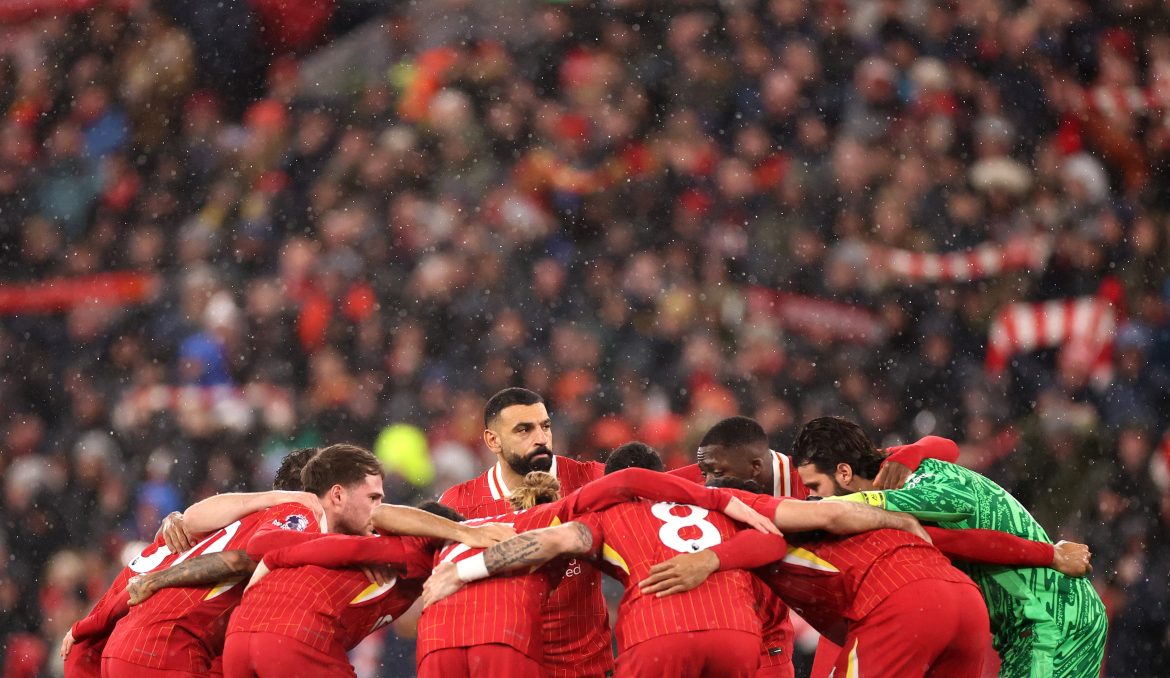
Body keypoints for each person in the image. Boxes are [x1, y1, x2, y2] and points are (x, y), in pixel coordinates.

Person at [423, 443, 931, 678]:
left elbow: (551, 542)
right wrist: (897, 518)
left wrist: (460, 571)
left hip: (658, 635)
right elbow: (812, 521)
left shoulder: (604, 514)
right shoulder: (728, 496)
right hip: (739, 639)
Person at [636, 476, 1093, 678]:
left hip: (900, 607)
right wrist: (1049, 554)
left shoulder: (765, 517)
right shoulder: (871, 517)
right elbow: (959, 540)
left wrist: (710, 560)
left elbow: (769, 542)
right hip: (965, 605)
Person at [793, 416, 1108, 678]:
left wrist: (1051, 555)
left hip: (1052, 620)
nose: (815, 496)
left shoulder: (903, 495)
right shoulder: (892, 468)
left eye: (815, 487)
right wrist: (915, 450)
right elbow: (947, 448)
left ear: (844, 473)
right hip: (1031, 626)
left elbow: (970, 541)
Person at [674, 416, 959, 676]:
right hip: (731, 627)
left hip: (841, 612)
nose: (709, 482)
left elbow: (945, 447)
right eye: (705, 473)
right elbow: (650, 480)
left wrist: (910, 456)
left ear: (755, 467)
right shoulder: (711, 469)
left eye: (714, 473)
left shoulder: (812, 474)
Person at [100, 444, 382, 677]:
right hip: (167, 650)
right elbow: (244, 559)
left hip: (131, 644)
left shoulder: (241, 514)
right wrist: (155, 580)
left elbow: (185, 523)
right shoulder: (301, 517)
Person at [60, 447, 321, 678]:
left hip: (119, 647)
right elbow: (239, 561)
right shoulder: (298, 518)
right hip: (167, 650)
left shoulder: (205, 524)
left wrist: (88, 626)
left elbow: (137, 579)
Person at [437, 388, 611, 677]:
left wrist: (698, 559)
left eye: (545, 426)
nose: (541, 438)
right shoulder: (461, 503)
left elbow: (663, 494)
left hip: (587, 668)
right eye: (524, 430)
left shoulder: (592, 480)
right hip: (507, 667)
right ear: (493, 440)